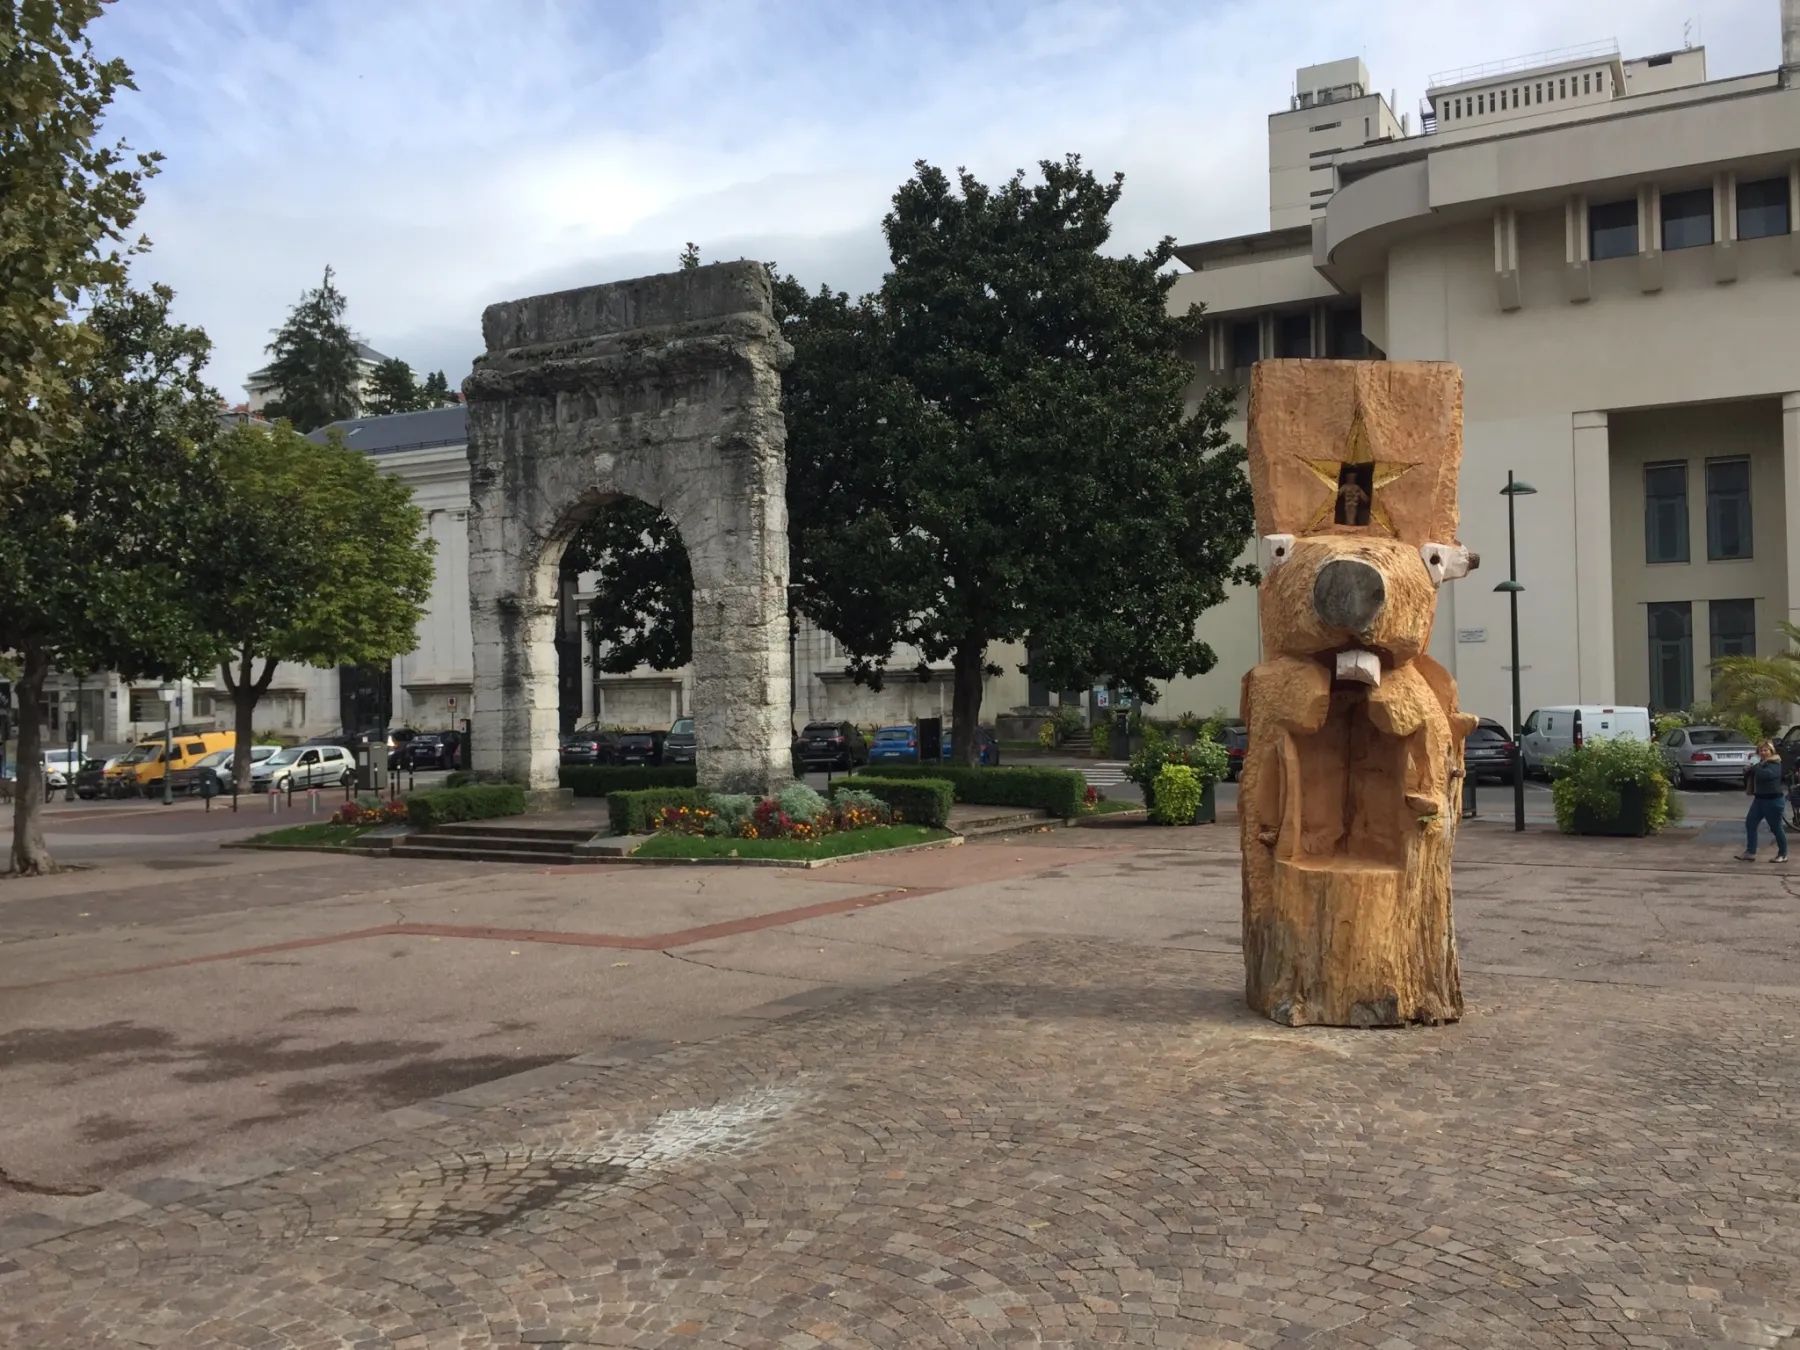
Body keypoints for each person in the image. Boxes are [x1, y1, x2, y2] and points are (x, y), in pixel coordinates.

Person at [1736, 740, 1788, 862]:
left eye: (1766, 750)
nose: (1763, 753)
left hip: (1773, 800)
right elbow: (1749, 774)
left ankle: (1783, 854)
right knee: (1750, 823)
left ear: (1771, 751)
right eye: (1761, 750)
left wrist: (1754, 767)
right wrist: (1748, 769)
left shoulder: (1775, 763)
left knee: (1776, 827)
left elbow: (1767, 775)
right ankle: (1750, 852)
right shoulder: (1759, 763)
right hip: (1759, 799)